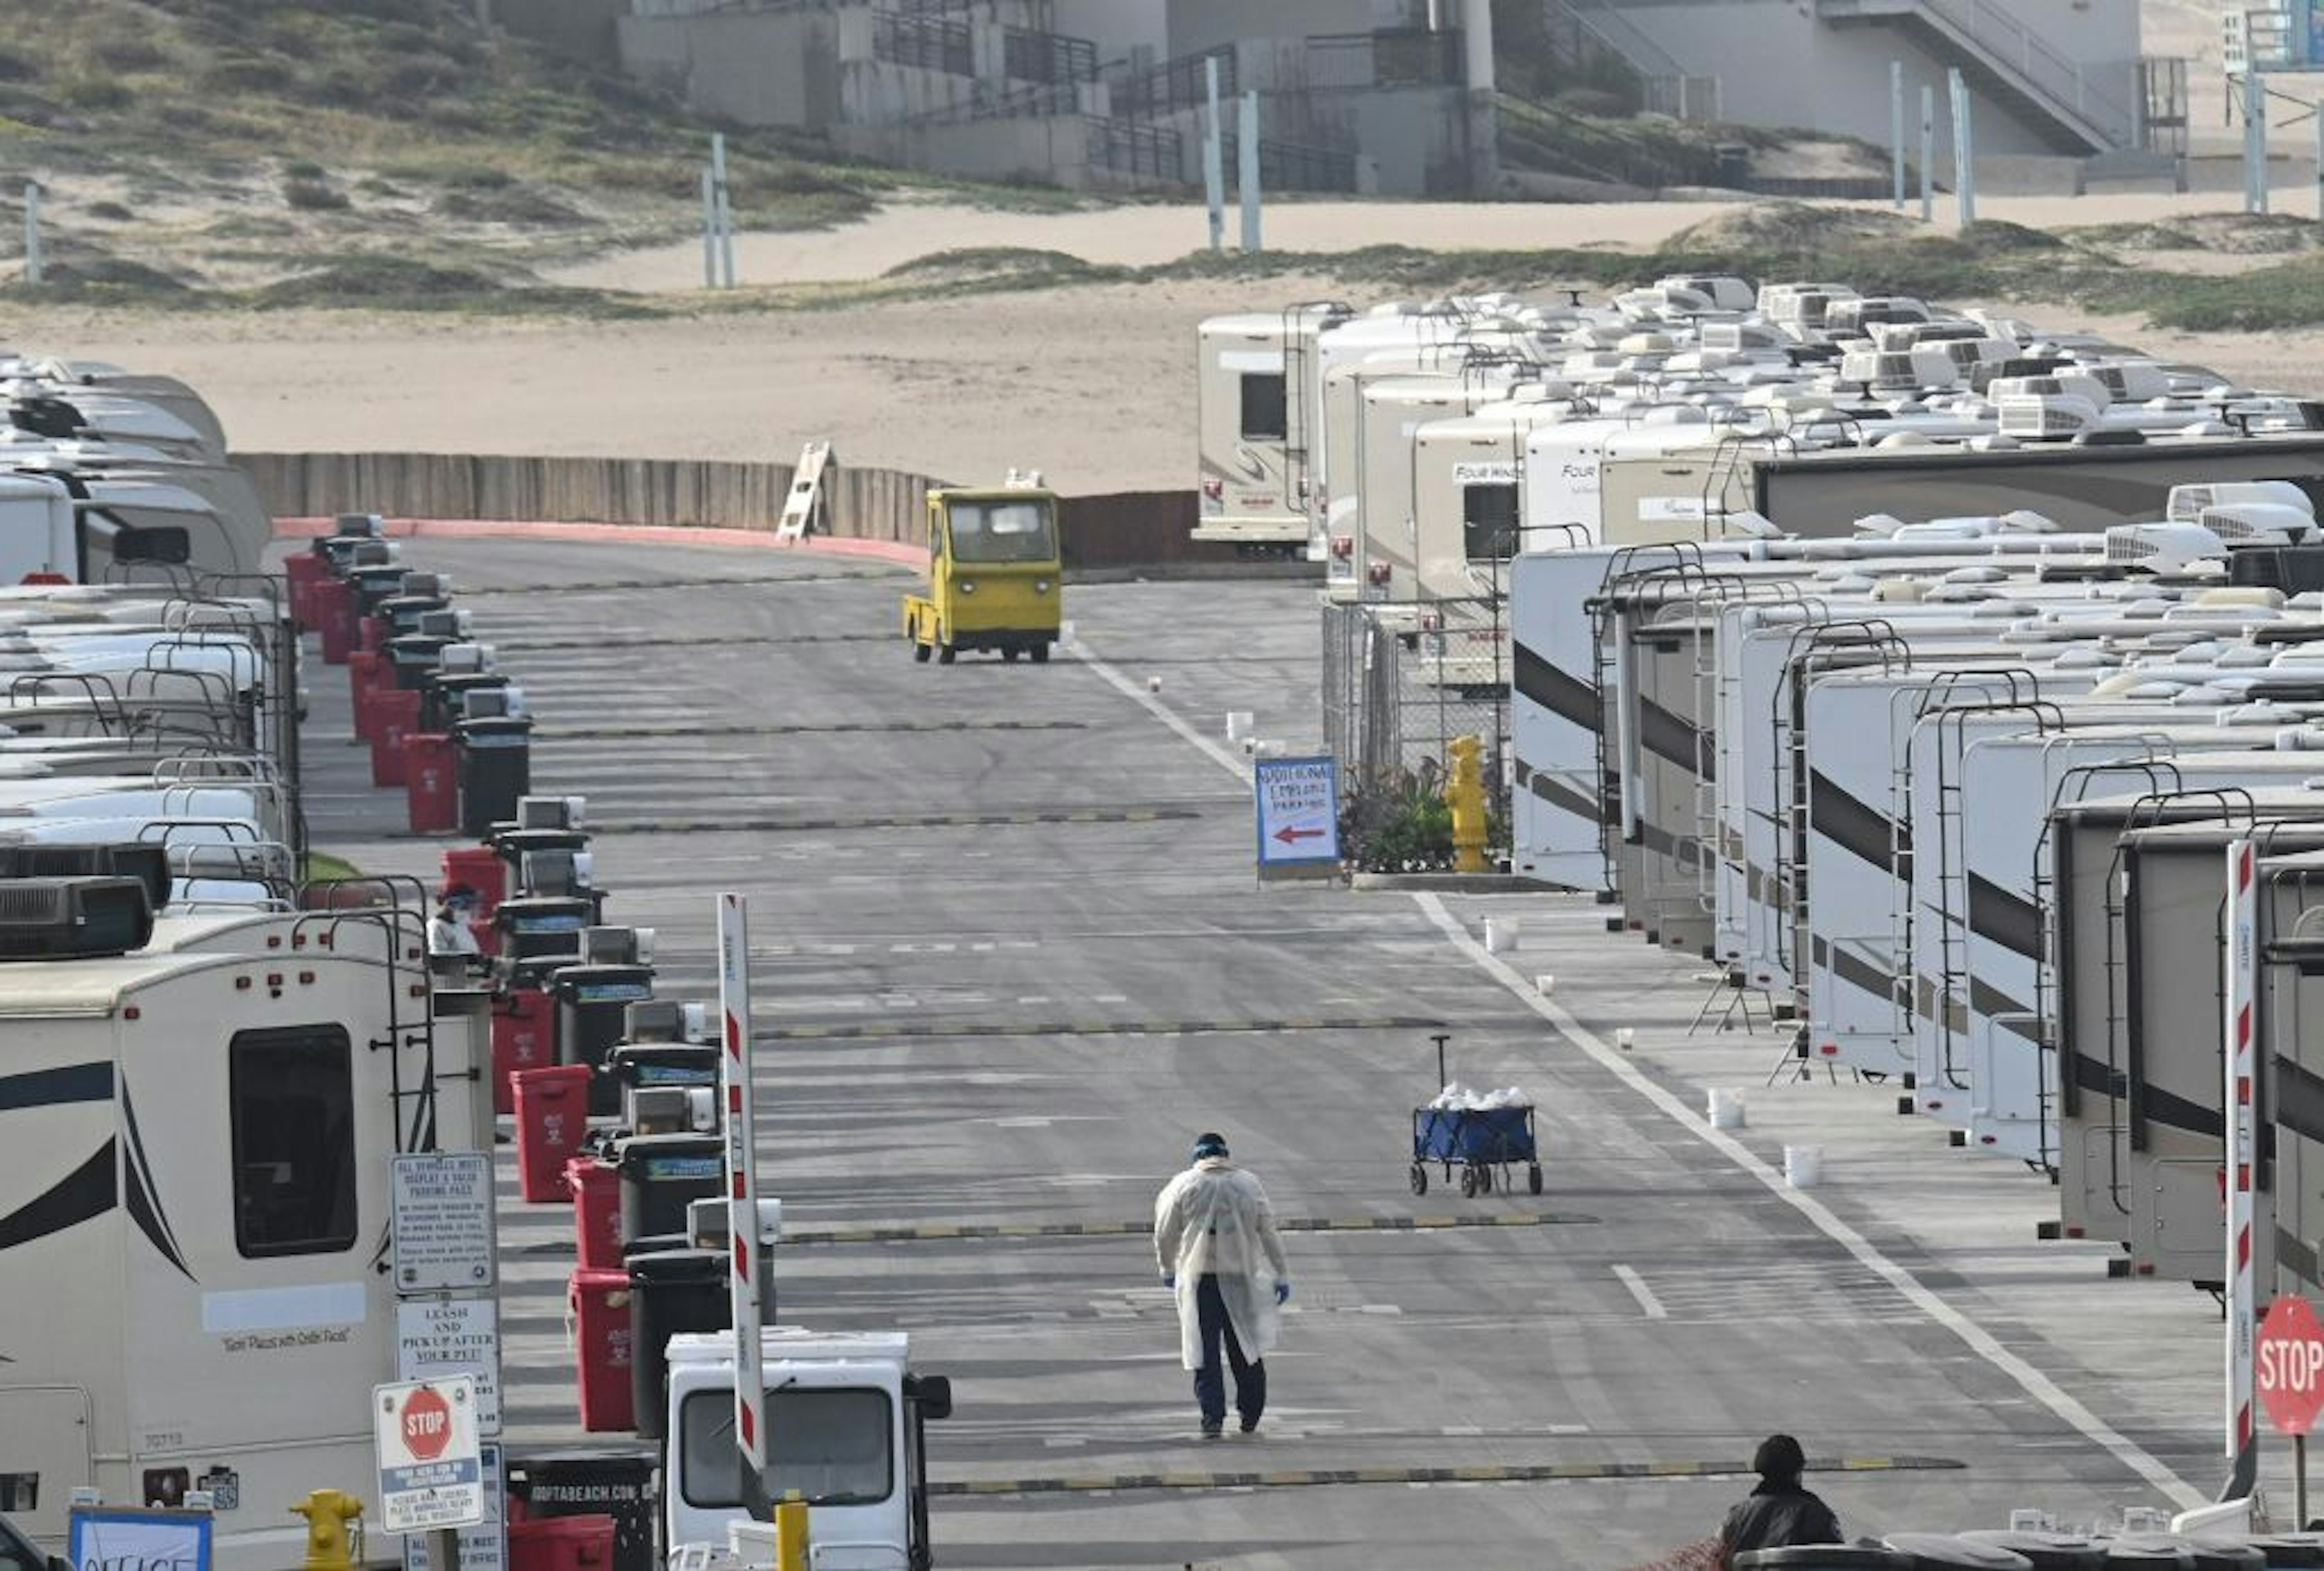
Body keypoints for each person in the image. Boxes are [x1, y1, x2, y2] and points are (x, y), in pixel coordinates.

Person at [1152, 1132, 1290, 1440]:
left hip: (1199, 1279)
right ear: (1226, 1154)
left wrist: (1167, 1267)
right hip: (1241, 1276)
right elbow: (1268, 1231)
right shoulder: (1248, 1184)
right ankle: (1251, 1414)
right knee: (1246, 1348)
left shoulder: (1183, 1185)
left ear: (1197, 1157)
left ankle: (1212, 1417)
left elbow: (1165, 1233)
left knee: (1205, 1350)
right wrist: (1281, 1273)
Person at [1717, 1434, 1842, 1568]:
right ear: (1798, 1471)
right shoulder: (1818, 1513)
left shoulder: (1739, 1515)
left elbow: (1719, 1559)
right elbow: (1838, 1560)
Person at [428, 884, 482, 968]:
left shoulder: (460, 926)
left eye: (470, 905)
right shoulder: (437, 927)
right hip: (453, 978)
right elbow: (439, 962)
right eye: (463, 905)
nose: (467, 909)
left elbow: (472, 952)